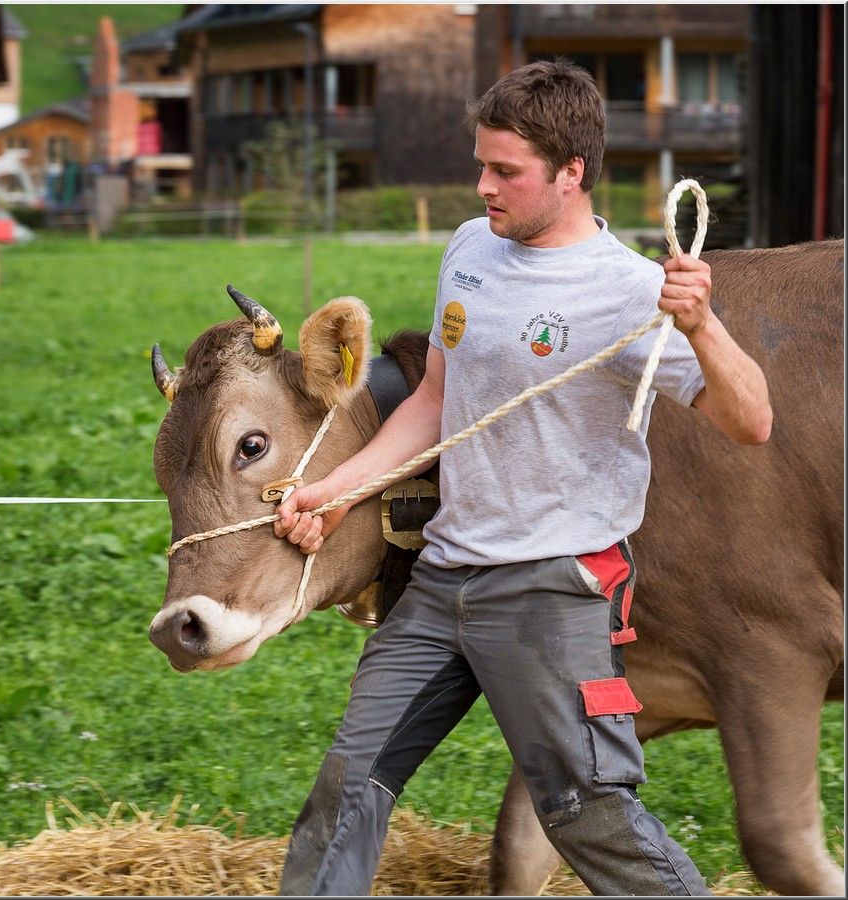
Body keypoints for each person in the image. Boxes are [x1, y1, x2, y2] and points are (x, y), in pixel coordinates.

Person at [273, 59, 772, 896]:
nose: (484, 187)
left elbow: (751, 420)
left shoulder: (629, 290)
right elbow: (435, 400)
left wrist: (704, 327)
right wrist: (337, 489)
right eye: (482, 164)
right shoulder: (471, 248)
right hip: (444, 580)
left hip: (551, 591)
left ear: (571, 172)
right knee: (348, 785)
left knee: (588, 813)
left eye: (506, 171)